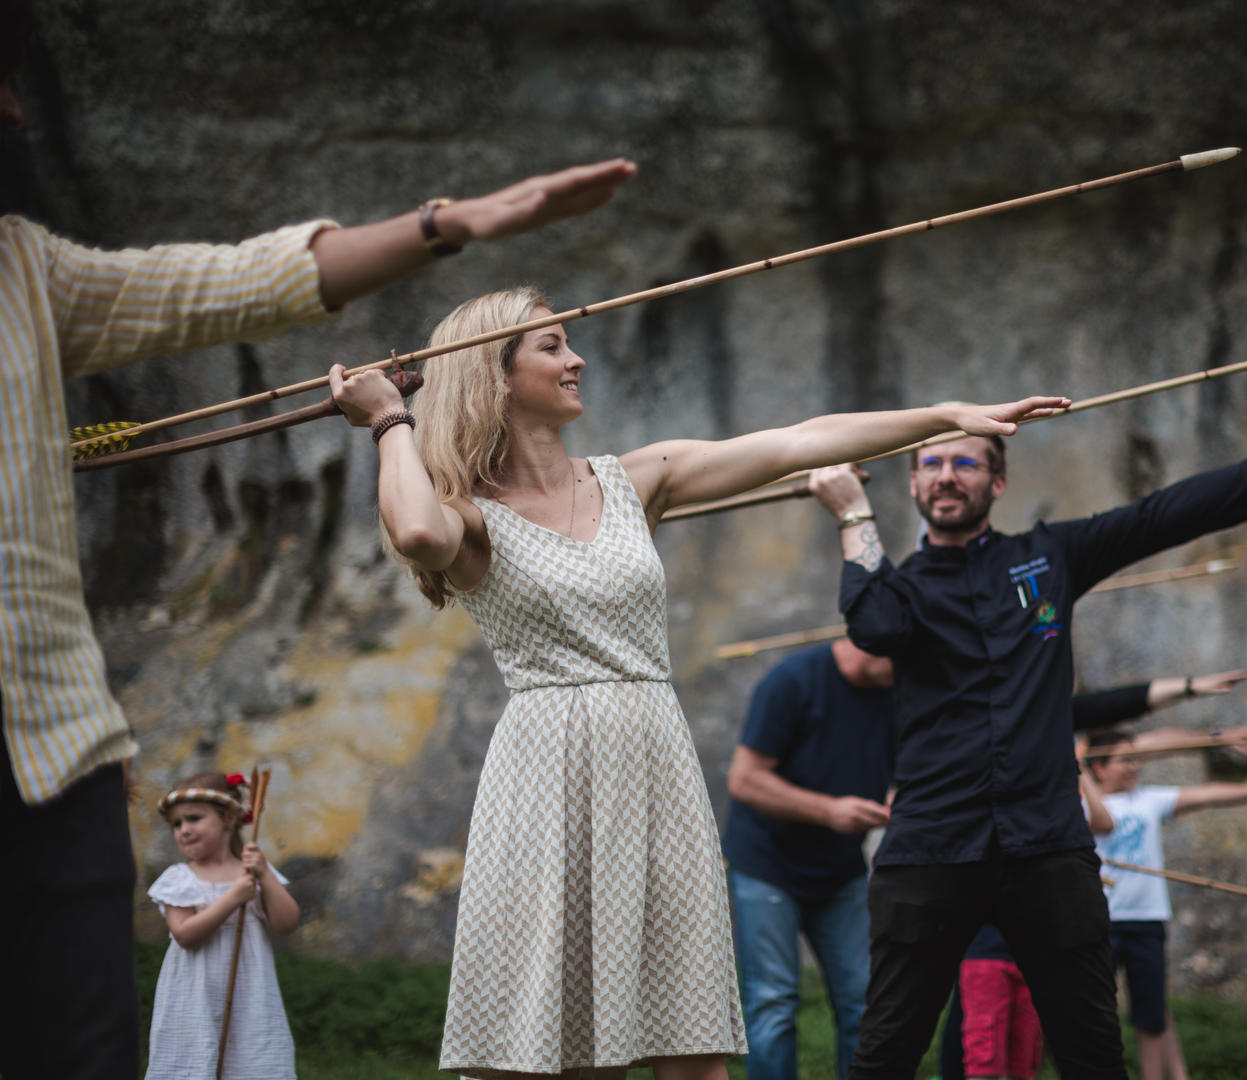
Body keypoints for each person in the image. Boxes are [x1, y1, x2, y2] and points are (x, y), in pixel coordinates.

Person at [0, 6, 636, 1072]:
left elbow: (232, 284)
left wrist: (457, 221)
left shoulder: (22, 268)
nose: (18, 112)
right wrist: (389, 421)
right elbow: (421, 527)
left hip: (55, 757)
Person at [327, 288, 1069, 1079]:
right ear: (494, 374)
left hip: (656, 763)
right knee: (553, 1053)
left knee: (692, 1044)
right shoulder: (466, 514)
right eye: (551, 346)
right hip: (549, 775)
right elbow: (415, 531)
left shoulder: (637, 478)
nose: (577, 359)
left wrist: (945, 416)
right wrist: (390, 419)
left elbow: (797, 441)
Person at [807, 412, 1247, 1079]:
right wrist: (851, 511)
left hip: (1046, 848)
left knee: (1092, 1056)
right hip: (930, 849)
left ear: (997, 483)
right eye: (932, 464)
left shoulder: (1047, 556)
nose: (947, 476)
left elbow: (1159, 516)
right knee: (884, 1056)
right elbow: (874, 627)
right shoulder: (900, 589)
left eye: (966, 462)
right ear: (913, 482)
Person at [937, 671, 1247, 1079]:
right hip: (996, 935)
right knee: (980, 1034)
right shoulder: (991, 743)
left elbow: (1141, 739)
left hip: (1039, 934)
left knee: (1028, 1048)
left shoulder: (1059, 739)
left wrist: (1208, 732)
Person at [721, 636, 896, 1080]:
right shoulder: (791, 683)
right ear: (872, 637)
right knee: (773, 1003)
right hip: (767, 866)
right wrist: (829, 811)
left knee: (866, 1000)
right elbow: (744, 779)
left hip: (841, 869)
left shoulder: (899, 690)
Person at [1087, 729, 1247, 1080]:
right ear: (1098, 767)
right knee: (1094, 1011)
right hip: (1102, 922)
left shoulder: (1148, 800)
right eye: (1125, 760)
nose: (1134, 766)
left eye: (1137, 759)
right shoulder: (1082, 805)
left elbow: (1206, 795)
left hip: (1147, 920)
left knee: (1152, 1014)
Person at [145, 771, 300, 1079]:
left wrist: (265, 875)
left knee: (250, 1058)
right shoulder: (179, 878)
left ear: (229, 818)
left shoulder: (252, 873)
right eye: (177, 824)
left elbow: (287, 922)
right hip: (195, 993)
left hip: (249, 991)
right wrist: (232, 898)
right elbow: (184, 934)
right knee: (194, 1058)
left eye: (194, 818)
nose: (184, 830)